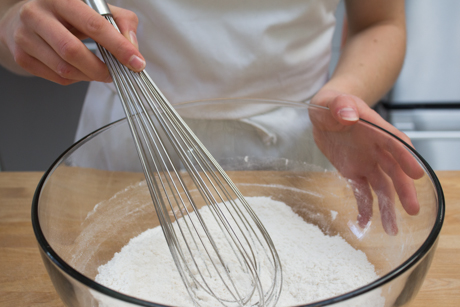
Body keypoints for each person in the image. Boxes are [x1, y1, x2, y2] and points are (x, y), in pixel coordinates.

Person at [0, 0, 423, 235]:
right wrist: (15, 21)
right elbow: (13, 19)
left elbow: (380, 22)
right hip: (128, 152)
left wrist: (343, 95)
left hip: (301, 151)